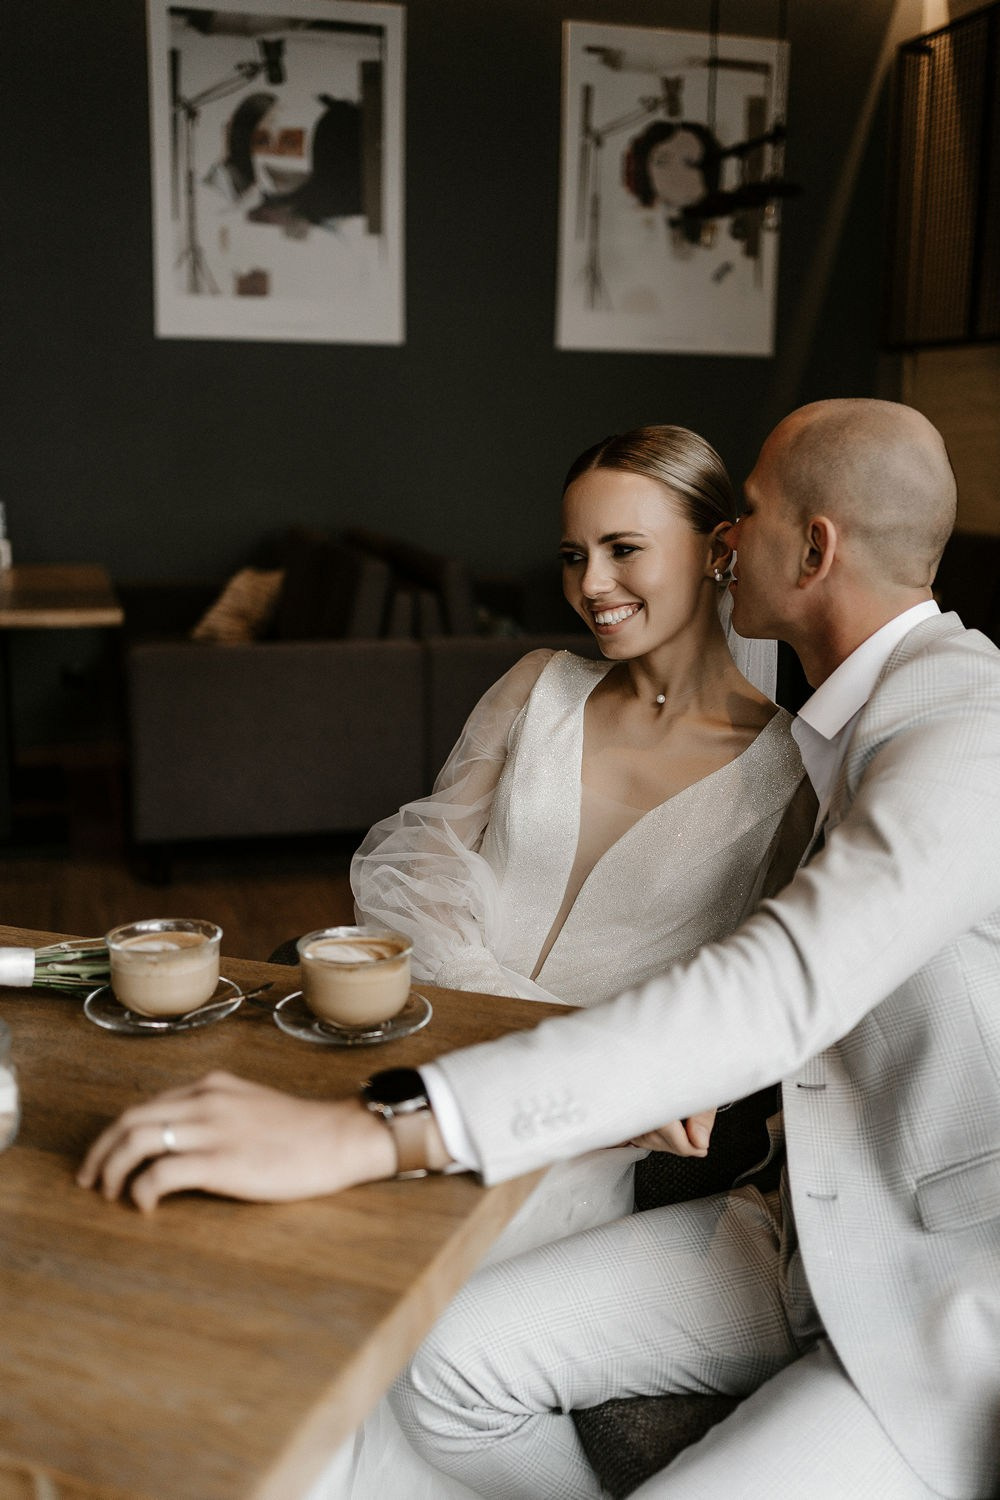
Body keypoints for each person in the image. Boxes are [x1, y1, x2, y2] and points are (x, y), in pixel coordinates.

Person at [78, 399, 1000, 1500]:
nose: (723, 536)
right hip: (788, 1232)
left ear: (811, 549)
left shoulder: (964, 730)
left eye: (742, 512)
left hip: (936, 1292)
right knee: (425, 1374)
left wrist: (369, 1134)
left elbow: (772, 987)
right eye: (578, 554)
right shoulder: (841, 727)